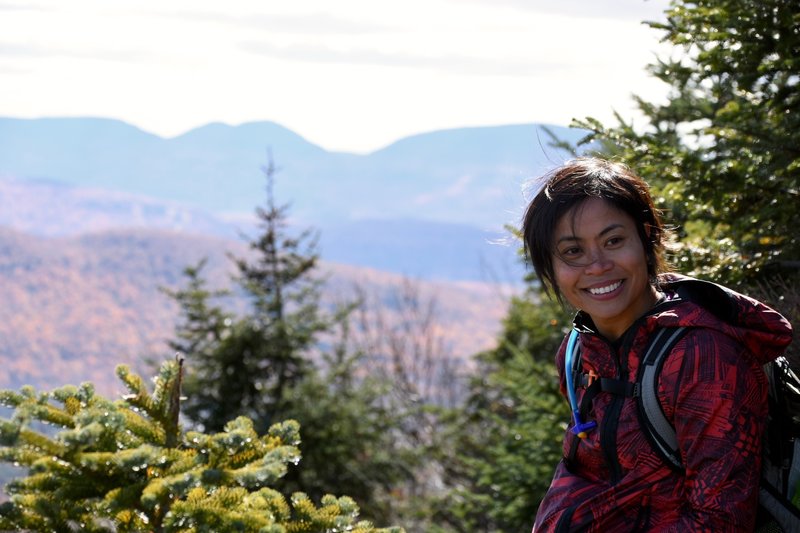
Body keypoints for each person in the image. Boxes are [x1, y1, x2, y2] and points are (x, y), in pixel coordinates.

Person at [521, 157, 793, 531]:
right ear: (549, 266)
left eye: (613, 241)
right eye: (573, 252)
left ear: (647, 237)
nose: (597, 265)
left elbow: (719, 520)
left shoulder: (702, 355)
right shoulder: (578, 351)